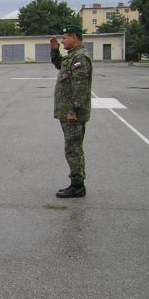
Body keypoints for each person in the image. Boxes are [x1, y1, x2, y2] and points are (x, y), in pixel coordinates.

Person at [50, 25, 93, 198]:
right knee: (73, 148)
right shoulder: (73, 56)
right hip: (68, 112)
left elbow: (80, 86)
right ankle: (77, 183)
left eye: (65, 38)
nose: (62, 41)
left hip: (73, 114)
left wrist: (74, 110)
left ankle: (77, 186)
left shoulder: (80, 57)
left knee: (73, 149)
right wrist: (55, 51)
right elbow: (60, 65)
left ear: (74, 37)